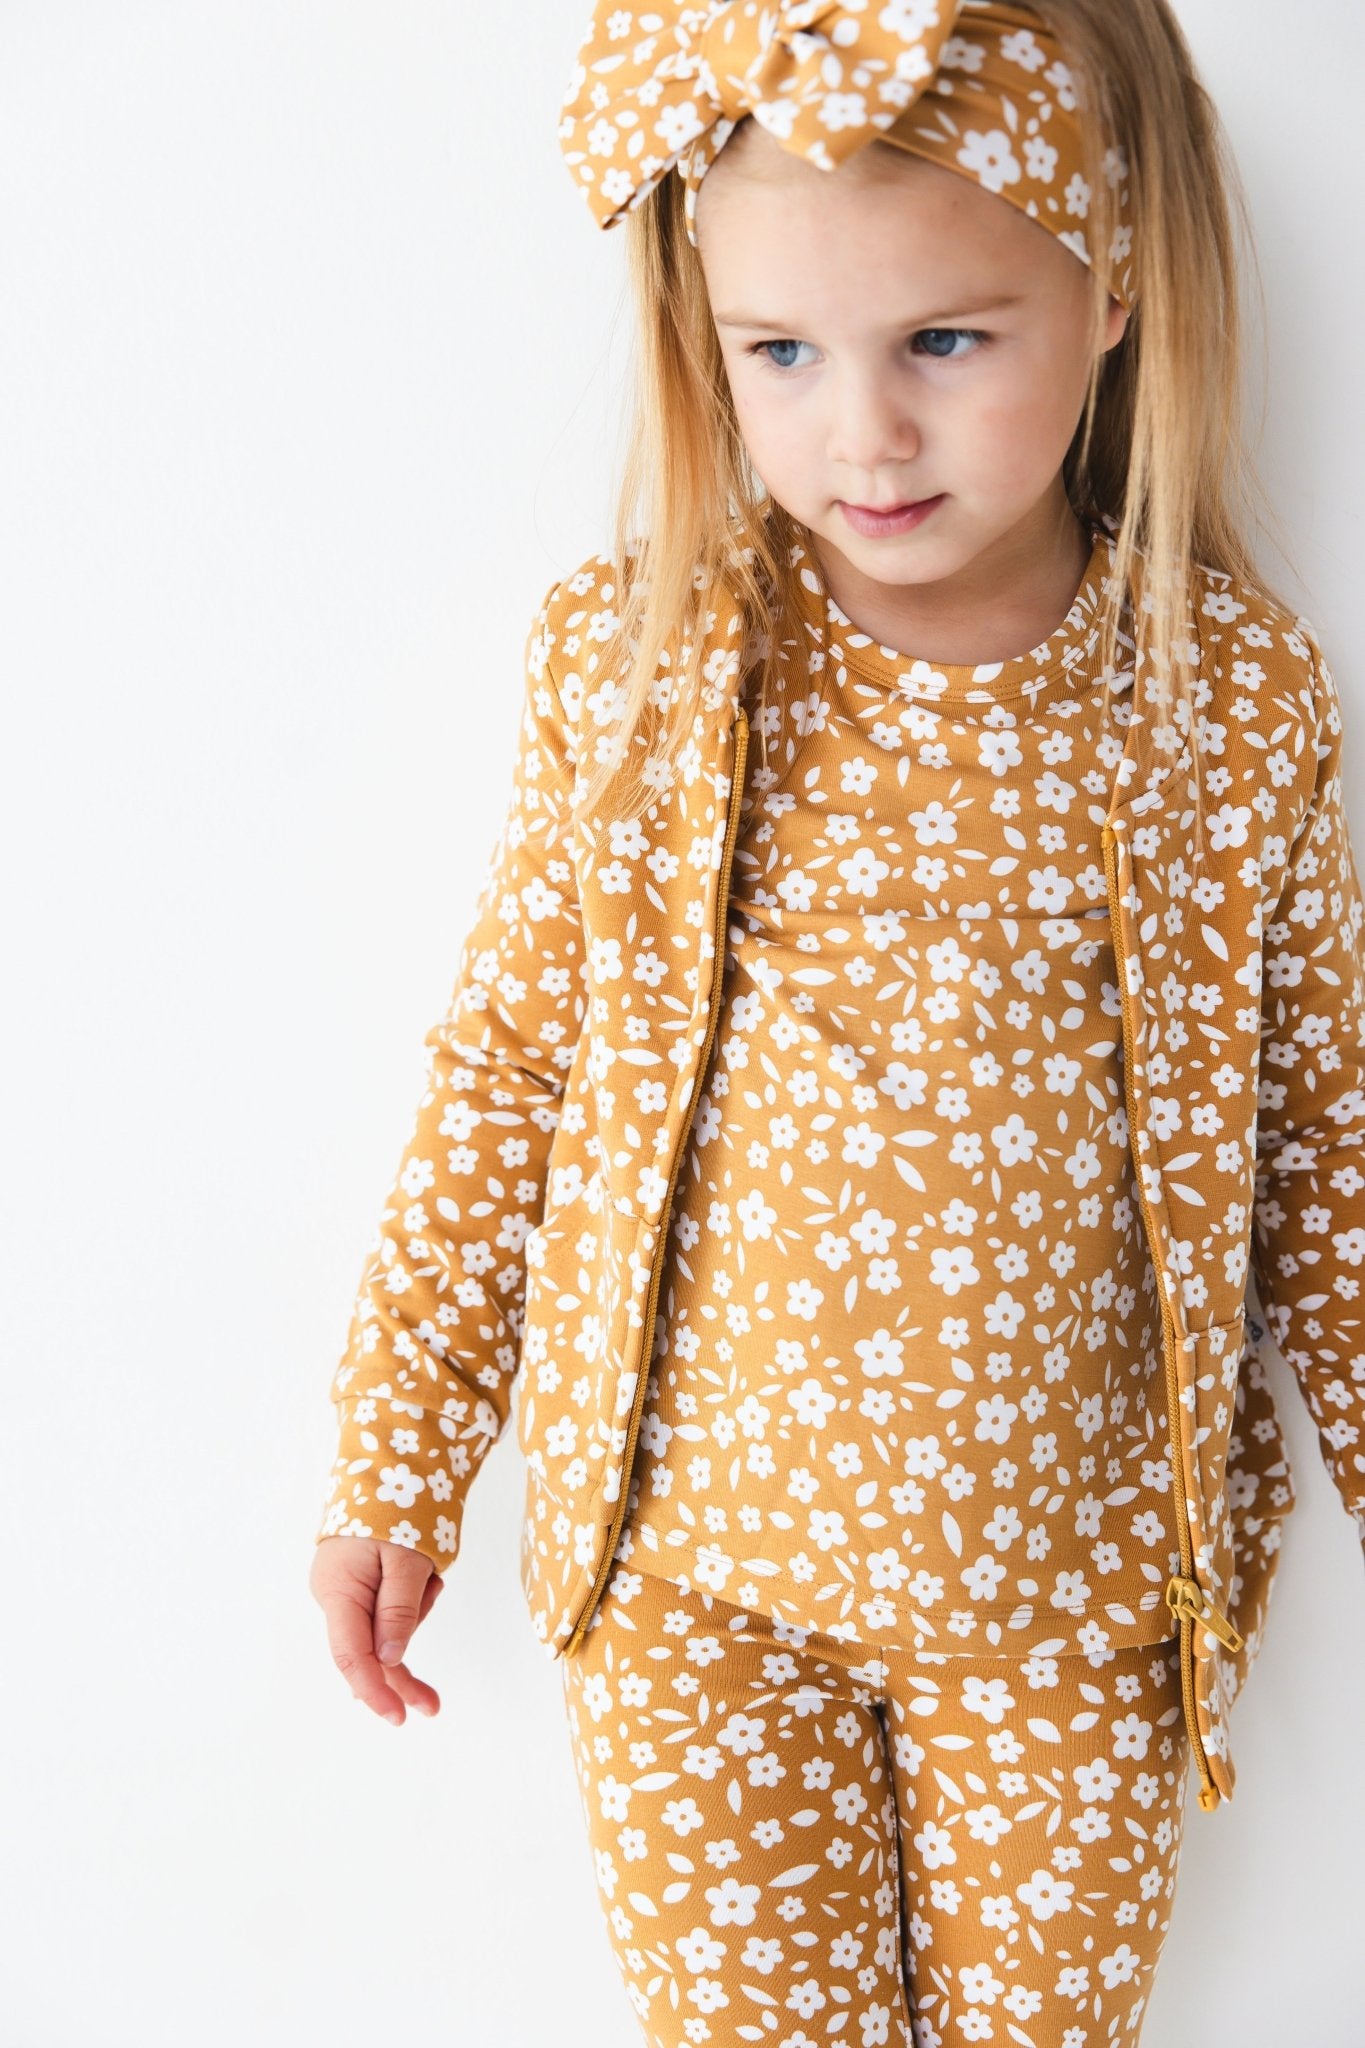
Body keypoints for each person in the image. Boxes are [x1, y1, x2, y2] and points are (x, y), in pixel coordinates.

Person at [309, 3, 1365, 2041]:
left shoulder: (1221, 702)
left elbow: (1321, 1136)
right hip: (696, 1590)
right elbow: (511, 1069)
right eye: (777, 353)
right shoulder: (644, 667)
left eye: (941, 345)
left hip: (1063, 1604)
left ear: (1116, 281)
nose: (857, 436)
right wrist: (396, 1451)